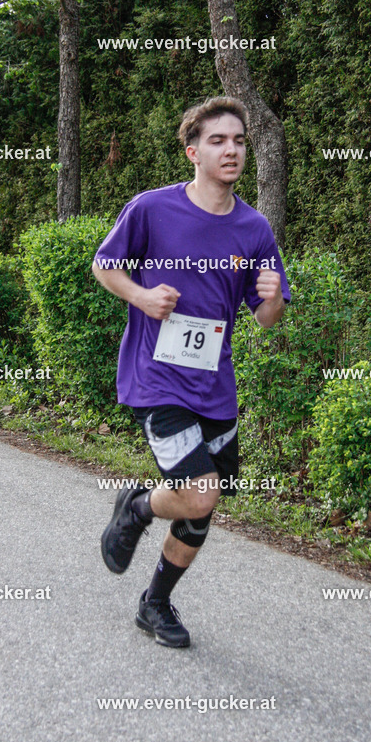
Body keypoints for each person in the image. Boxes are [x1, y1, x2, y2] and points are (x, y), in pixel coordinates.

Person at [92, 96, 290, 648]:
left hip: (214, 385)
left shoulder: (254, 228)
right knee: (199, 494)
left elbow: (265, 319)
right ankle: (135, 507)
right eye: (218, 141)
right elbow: (104, 266)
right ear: (193, 152)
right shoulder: (152, 209)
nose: (231, 150)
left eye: (239, 141)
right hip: (157, 379)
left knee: (200, 510)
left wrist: (272, 298)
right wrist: (142, 295)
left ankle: (155, 603)